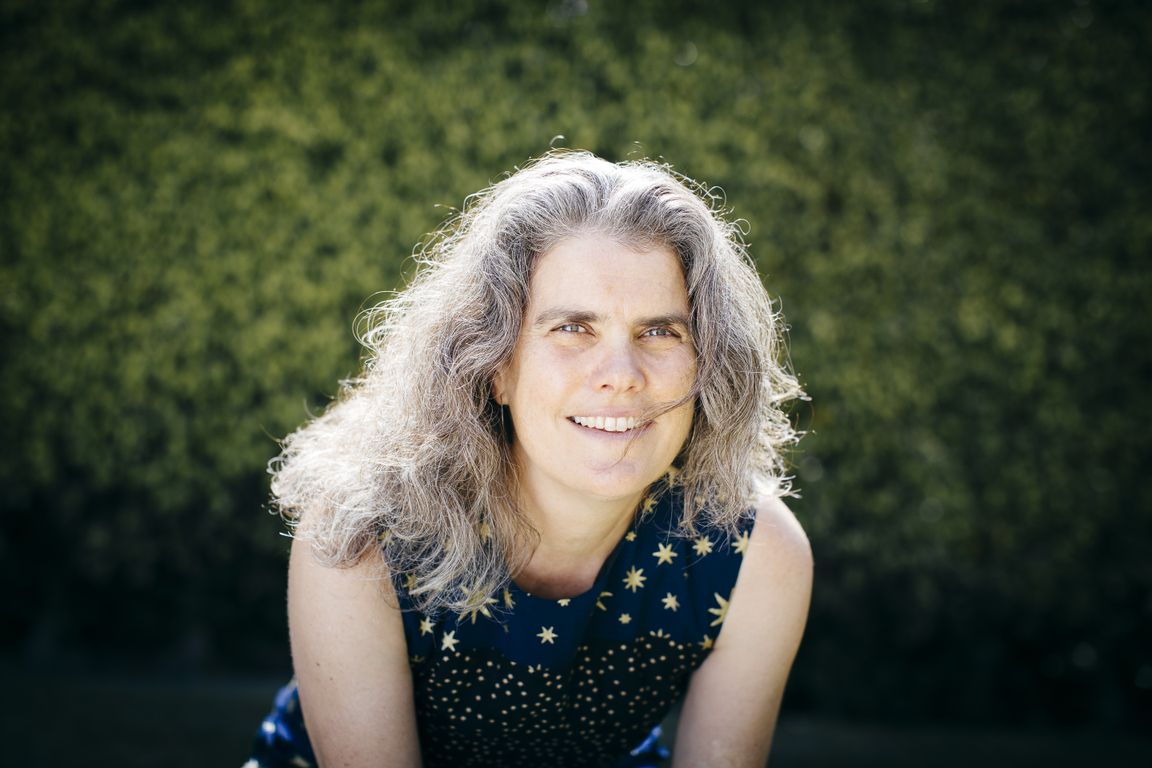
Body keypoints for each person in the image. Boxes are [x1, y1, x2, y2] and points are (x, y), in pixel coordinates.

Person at [246, 150, 813, 768]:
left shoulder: (752, 552)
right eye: (573, 328)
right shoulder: (360, 535)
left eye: (659, 331)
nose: (622, 374)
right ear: (493, 366)